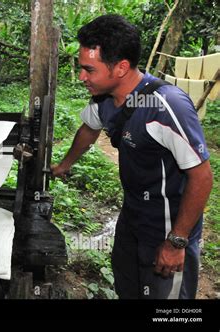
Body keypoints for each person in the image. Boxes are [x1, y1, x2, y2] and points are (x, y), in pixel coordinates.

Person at [51, 15, 213, 299]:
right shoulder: (104, 100)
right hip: (132, 218)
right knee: (129, 288)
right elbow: (88, 130)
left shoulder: (165, 106)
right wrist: (64, 165)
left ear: (121, 67)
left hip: (168, 225)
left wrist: (176, 243)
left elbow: (202, 176)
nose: (81, 77)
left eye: (89, 69)